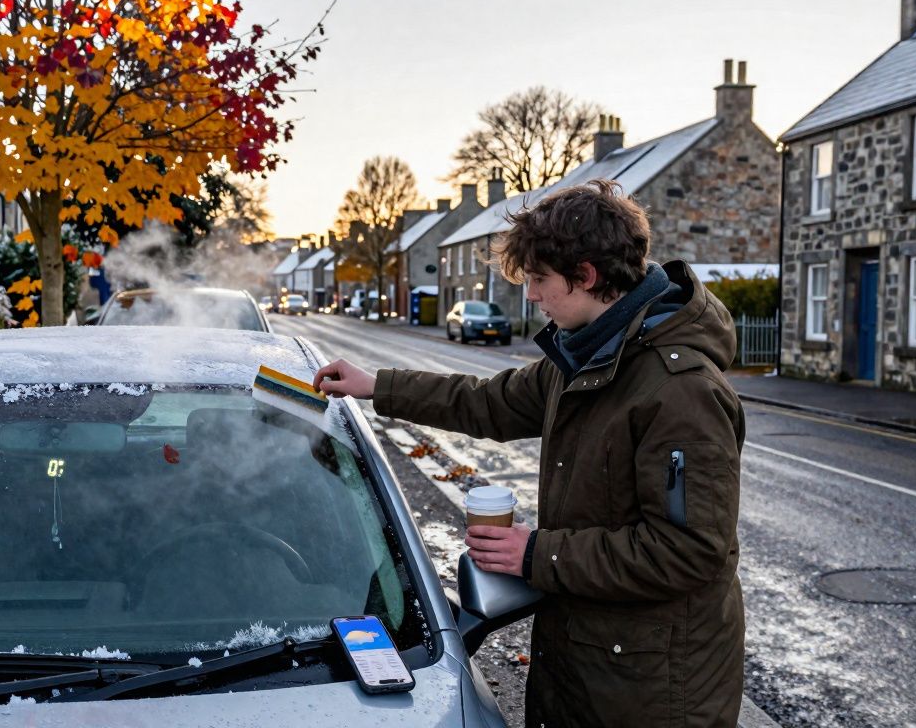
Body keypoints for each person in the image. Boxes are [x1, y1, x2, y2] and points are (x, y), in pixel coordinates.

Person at [313, 179, 745, 727]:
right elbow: (487, 402)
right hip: (592, 664)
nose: (533, 296)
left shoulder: (680, 390)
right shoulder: (587, 353)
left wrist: (536, 554)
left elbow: (688, 552)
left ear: (586, 276)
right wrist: (378, 385)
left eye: (540, 280)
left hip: (653, 690)